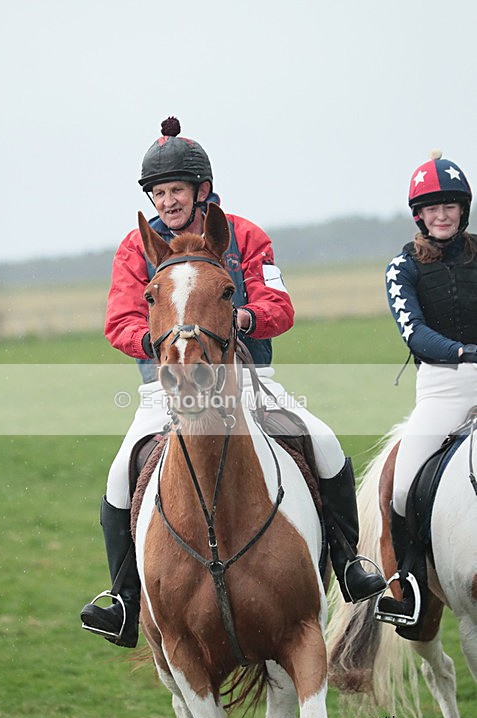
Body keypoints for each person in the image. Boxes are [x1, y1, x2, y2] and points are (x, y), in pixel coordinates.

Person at [80, 117, 385, 647]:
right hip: (165, 389)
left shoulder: (244, 235)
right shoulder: (136, 248)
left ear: (201, 190)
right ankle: (125, 600)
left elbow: (279, 306)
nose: (167, 201)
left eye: (175, 190)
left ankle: (348, 561)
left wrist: (243, 320)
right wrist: (170, 344)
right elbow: (119, 322)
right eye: (157, 192)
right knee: (119, 474)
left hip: (248, 381)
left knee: (325, 442)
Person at [376, 150, 477, 640]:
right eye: (431, 208)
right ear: (419, 215)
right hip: (443, 388)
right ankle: (410, 590)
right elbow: (415, 334)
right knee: (400, 488)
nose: (441, 215)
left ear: (463, 209)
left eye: (450, 206)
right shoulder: (403, 268)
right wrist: (465, 351)